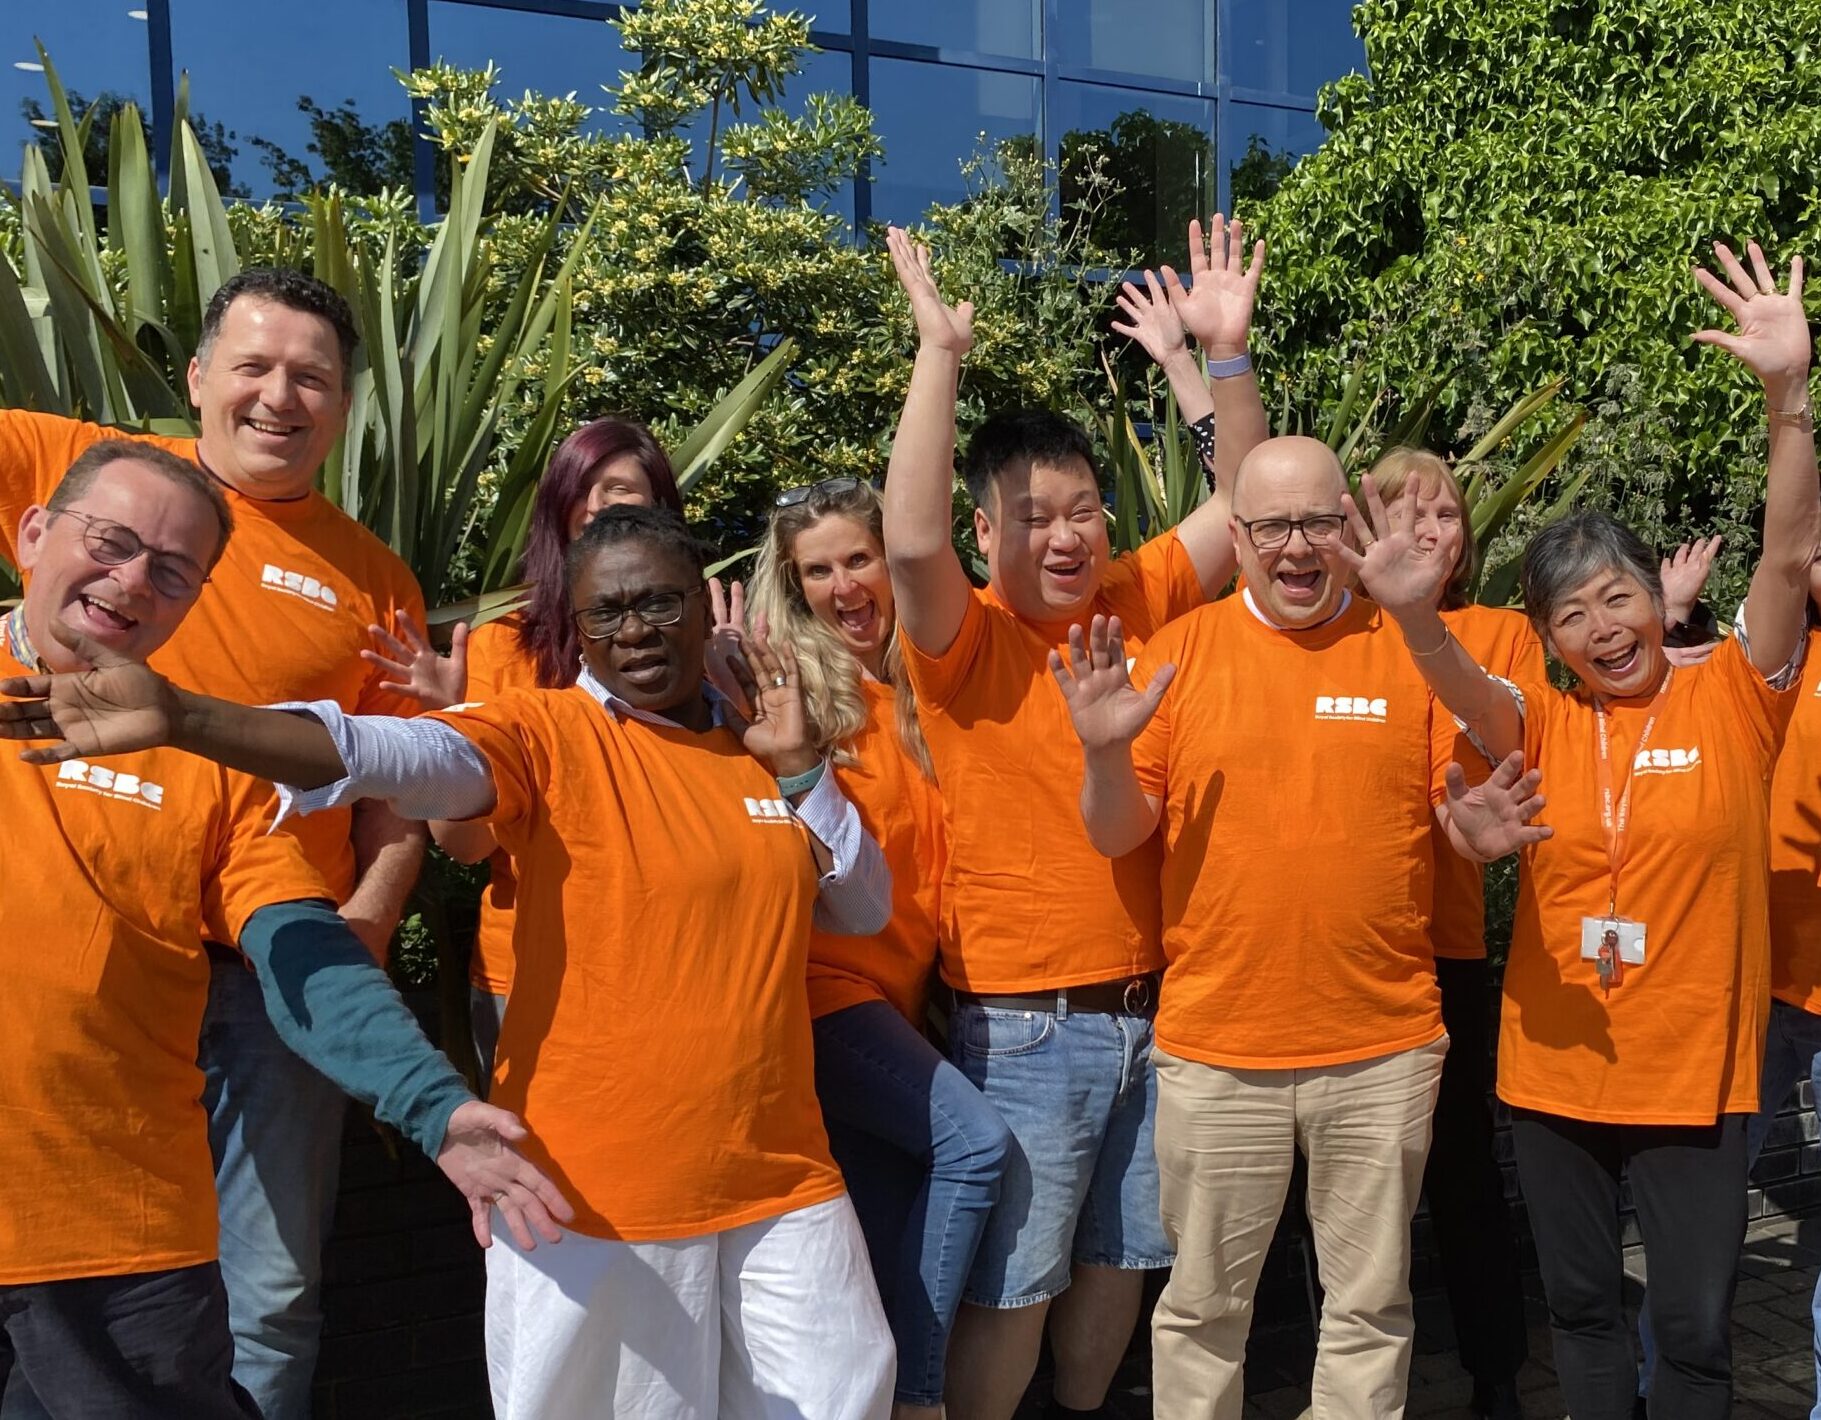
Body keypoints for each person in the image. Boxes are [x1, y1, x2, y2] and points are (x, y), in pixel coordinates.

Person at [15, 502, 899, 1419]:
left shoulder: (761, 741)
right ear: (578, 631)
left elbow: (863, 905)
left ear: (705, 608)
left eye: (661, 604)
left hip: (785, 1179)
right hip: (592, 1198)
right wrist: (187, 717)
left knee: (847, 1394)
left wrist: (800, 770)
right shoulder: (545, 734)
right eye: (607, 612)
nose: (635, 629)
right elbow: (387, 752)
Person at [0, 441, 566, 1417]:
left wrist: (434, 1104)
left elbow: (302, 947)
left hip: (119, 1255)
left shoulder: (208, 766)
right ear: (34, 534)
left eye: (172, 571)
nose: (134, 579)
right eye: (112, 541)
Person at [1348, 240, 1815, 1420]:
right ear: (1549, 638)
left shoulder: (1734, 696)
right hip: (1553, 1077)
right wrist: (1412, 619)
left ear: (1654, 603)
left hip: (1694, 1079)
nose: (1602, 626)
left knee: (1696, 1330)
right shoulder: (1542, 717)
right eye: (1572, 612)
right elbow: (1462, 682)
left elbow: (1786, 554)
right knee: (1586, 1315)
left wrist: (1787, 400)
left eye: (1618, 597)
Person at [0, 267, 428, 1418]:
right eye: (253, 365)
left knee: (269, 1286)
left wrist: (366, 925)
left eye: (313, 378)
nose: (279, 396)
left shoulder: (375, 575)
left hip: (267, 964)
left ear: (345, 407)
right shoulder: (94, 469)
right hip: (79, 961)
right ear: (197, 378)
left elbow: (397, 788)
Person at [880, 218, 1262, 1419]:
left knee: (1123, 1263)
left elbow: (1249, 507)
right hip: (1026, 1027)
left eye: (1085, 507)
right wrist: (939, 352)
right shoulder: (964, 640)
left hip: (1166, 1010)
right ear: (989, 534)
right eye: (1034, 515)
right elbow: (907, 537)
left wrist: (1224, 358)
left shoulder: (1139, 592)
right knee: (1019, 1281)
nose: (1068, 534)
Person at [1053, 429, 1477, 1420]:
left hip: (1382, 1045)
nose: (1297, 546)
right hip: (1217, 1049)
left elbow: (1463, 808)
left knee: (1370, 1306)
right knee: (1202, 1310)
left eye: (1320, 521)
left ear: (1351, 525)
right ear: (1234, 534)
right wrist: (1105, 756)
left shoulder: (1410, 651)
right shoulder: (1177, 655)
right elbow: (1120, 832)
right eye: (1272, 524)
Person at [741, 475, 1011, 1419]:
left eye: (859, 558)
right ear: (792, 584)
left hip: (899, 1005)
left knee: (889, 1254)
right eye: (817, 570)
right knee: (975, 1148)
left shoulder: (921, 690)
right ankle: (922, 1403)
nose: (844, 585)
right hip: (821, 996)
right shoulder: (794, 696)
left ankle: (894, 1388)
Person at [363, 417, 683, 1084]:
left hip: (674, 973)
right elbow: (467, 845)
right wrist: (451, 722)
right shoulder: (500, 648)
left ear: (660, 513)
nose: (596, 506)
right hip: (533, 975)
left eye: (620, 490)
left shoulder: (695, 658)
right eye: (582, 488)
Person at [1365, 447, 1540, 1419]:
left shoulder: (1500, 632)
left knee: (1464, 1165)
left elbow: (1507, 745)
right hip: (1347, 940)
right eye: (1408, 511)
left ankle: (1496, 1371)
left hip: (1446, 944)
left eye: (1446, 515)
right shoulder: (1344, 631)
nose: (1431, 530)